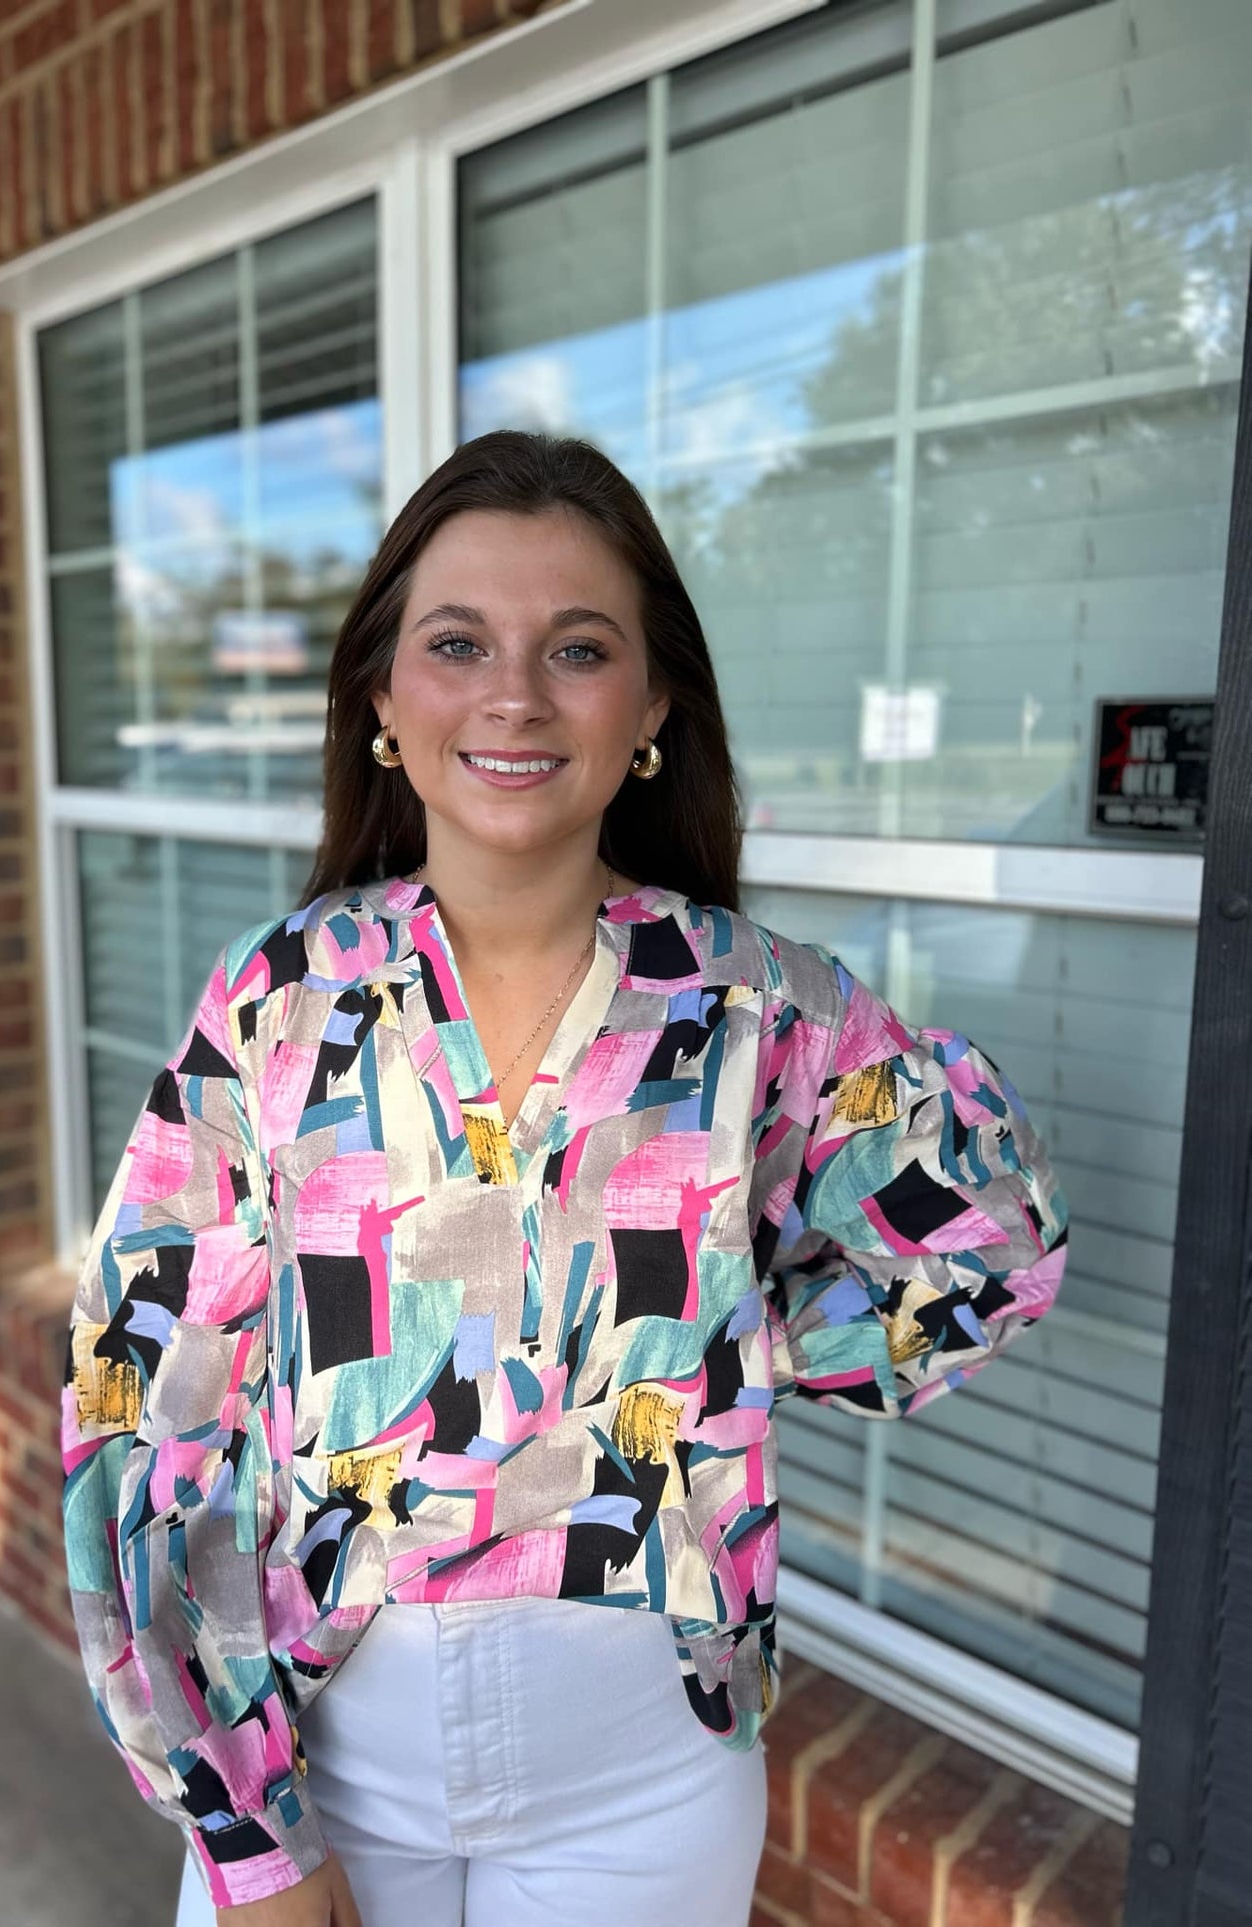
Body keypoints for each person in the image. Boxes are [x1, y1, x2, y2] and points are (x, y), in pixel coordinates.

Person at [60, 431, 1068, 1927]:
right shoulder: (281, 1005)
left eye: (577, 648)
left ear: (650, 703)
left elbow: (993, 1243)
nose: (514, 694)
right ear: (384, 699)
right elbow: (144, 1404)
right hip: (328, 1766)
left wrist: (756, 1345)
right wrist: (244, 1828)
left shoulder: (757, 1010)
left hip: (642, 1788)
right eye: (456, 642)